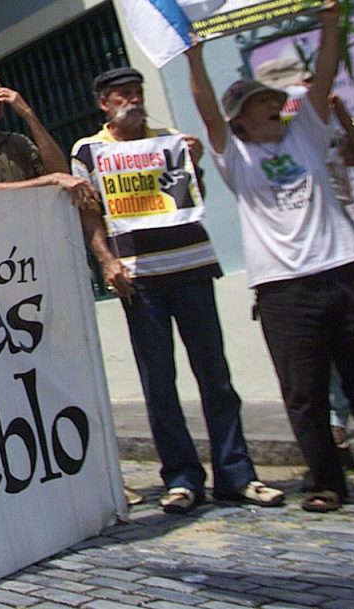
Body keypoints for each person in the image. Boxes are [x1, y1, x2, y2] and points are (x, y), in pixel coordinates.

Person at [187, 0, 354, 512]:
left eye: (276, 99)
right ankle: (326, 482)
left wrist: (328, 23)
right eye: (263, 102)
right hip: (284, 288)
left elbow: (323, 78)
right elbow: (204, 110)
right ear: (241, 118)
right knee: (305, 394)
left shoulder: (305, 132)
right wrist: (194, 58)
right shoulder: (234, 156)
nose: (275, 106)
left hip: (344, 273)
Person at [71, 66, 281, 513]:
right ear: (104, 104)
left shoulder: (170, 138)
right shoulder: (89, 151)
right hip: (138, 276)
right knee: (160, 382)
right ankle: (182, 477)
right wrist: (106, 261)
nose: (133, 100)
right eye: (122, 95)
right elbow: (90, 214)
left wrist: (195, 162)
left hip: (190, 265)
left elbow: (192, 197)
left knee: (215, 376)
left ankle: (236, 473)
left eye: (136, 92)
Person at [254, 58, 354, 455]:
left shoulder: (319, 120)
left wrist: (340, 109)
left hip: (341, 229)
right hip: (302, 238)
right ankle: (336, 415)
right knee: (320, 333)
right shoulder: (285, 130)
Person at [0, 67, 97, 208]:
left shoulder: (18, 141)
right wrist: (51, 180)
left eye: (0, 90)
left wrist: (28, 115)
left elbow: (61, 172)